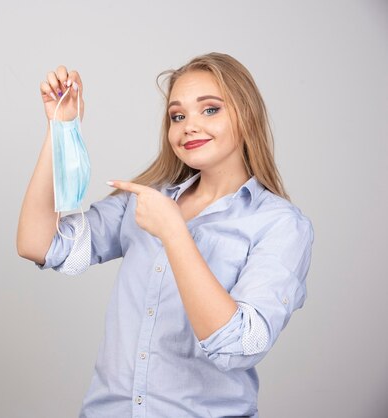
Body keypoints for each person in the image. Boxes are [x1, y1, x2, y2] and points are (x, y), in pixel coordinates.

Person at [17, 52, 313, 418]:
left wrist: (175, 232)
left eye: (210, 110)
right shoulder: (144, 200)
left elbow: (238, 346)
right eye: (178, 116)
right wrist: (61, 129)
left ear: (246, 113)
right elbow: (38, 244)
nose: (189, 125)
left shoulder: (279, 224)